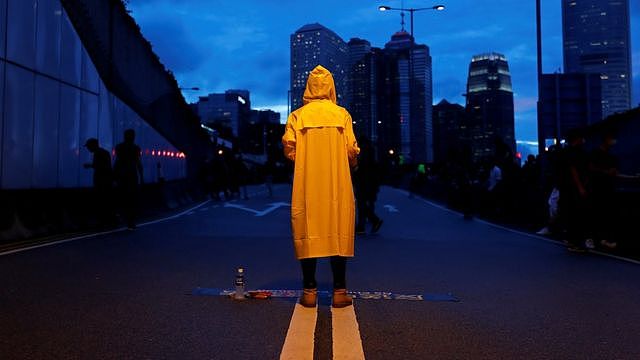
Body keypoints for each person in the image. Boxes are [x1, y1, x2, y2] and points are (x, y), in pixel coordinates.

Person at [282, 65, 359, 308]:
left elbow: (289, 149)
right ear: (330, 86)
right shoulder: (341, 115)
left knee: (308, 230)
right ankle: (339, 291)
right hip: (337, 182)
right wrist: (351, 162)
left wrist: (306, 157)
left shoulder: (297, 116)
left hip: (308, 182)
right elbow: (351, 150)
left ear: (309, 87)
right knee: (337, 230)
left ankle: (309, 291)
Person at [558, 130, 590, 252]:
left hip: (567, 188)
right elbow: (574, 170)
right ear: (577, 139)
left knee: (571, 214)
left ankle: (571, 240)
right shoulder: (575, 153)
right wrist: (581, 186)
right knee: (577, 215)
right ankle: (575, 242)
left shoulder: (565, 152)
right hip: (574, 188)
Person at [113, 129, 143, 230]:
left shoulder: (119, 147)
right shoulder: (136, 148)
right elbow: (138, 163)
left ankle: (121, 217)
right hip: (132, 175)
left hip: (122, 175)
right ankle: (131, 221)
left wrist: (114, 176)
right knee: (132, 199)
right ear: (133, 137)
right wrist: (141, 176)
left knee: (122, 198)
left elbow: (117, 162)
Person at [353, 137, 383, 234]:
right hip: (370, 180)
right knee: (364, 203)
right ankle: (362, 226)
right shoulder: (371, 150)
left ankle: (373, 221)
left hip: (363, 180)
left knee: (361, 203)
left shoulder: (363, 150)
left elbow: (361, 165)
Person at [83, 138, 115, 227]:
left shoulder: (98, 154)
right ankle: (110, 220)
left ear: (93, 145)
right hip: (106, 180)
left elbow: (101, 166)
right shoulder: (104, 152)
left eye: (89, 146)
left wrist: (89, 165)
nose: (88, 148)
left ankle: (103, 221)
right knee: (106, 201)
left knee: (101, 201)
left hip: (102, 181)